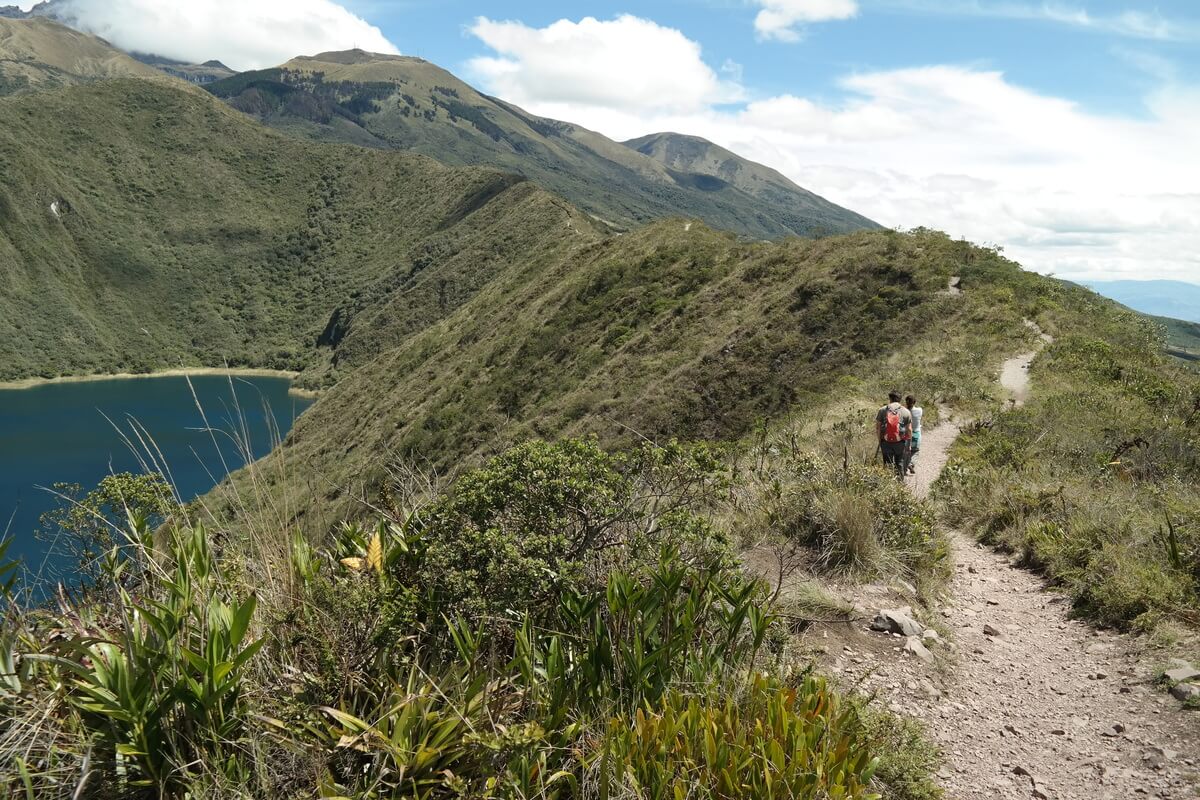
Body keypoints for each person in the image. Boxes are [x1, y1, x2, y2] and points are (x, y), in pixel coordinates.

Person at [875, 391, 913, 480]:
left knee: (887, 463)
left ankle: (887, 483)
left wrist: (880, 440)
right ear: (900, 399)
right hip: (900, 442)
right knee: (899, 462)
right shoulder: (906, 411)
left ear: (890, 399)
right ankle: (899, 483)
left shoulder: (882, 410)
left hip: (886, 441)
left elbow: (878, 427)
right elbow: (909, 429)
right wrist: (909, 444)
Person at [905, 395, 923, 475]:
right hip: (916, 433)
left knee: (905, 451)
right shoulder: (919, 410)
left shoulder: (904, 412)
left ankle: (905, 467)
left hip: (906, 434)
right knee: (915, 451)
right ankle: (911, 464)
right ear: (914, 402)